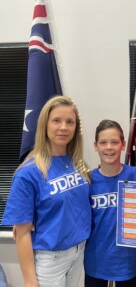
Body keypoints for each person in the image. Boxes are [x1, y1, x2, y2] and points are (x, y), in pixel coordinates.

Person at [2, 95, 91, 287]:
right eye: (56, 121)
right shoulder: (28, 173)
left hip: (78, 252)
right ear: (45, 124)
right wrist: (29, 281)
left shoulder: (77, 164)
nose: (64, 127)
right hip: (51, 260)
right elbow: (22, 234)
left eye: (70, 122)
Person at [84, 119, 136, 287]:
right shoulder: (87, 181)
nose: (109, 147)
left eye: (114, 142)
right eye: (103, 142)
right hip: (96, 261)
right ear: (96, 146)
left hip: (127, 261)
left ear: (123, 145)